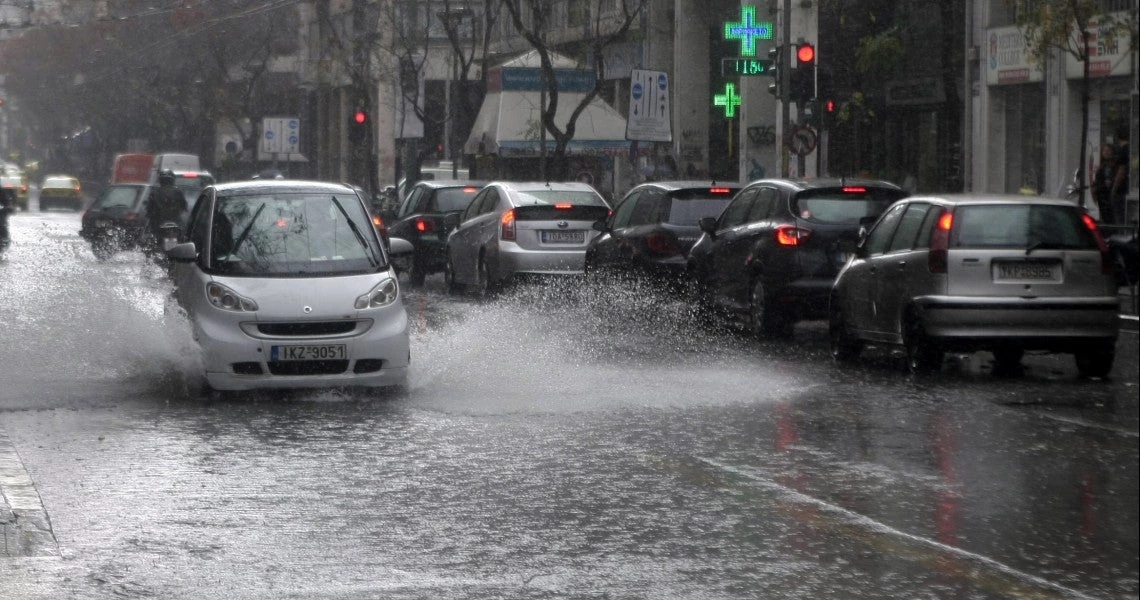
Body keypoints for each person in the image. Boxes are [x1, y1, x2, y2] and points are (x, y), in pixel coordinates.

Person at [146, 169, 188, 254]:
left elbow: (149, 209)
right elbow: (184, 206)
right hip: (173, 223)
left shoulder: (155, 192)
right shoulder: (178, 191)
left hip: (160, 224)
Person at [1092, 143, 1119, 224]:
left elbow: (1108, 183)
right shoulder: (1103, 165)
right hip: (1102, 195)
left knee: (1109, 218)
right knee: (1105, 218)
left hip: (1106, 196)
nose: (1106, 152)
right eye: (1104, 150)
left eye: (1108, 150)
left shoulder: (1110, 166)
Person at [1110, 126, 1130, 224]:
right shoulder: (1130, 150)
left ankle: (1120, 233)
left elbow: (1121, 171)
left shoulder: (1123, 151)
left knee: (1119, 216)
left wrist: (1114, 189)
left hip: (1121, 189)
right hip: (1126, 187)